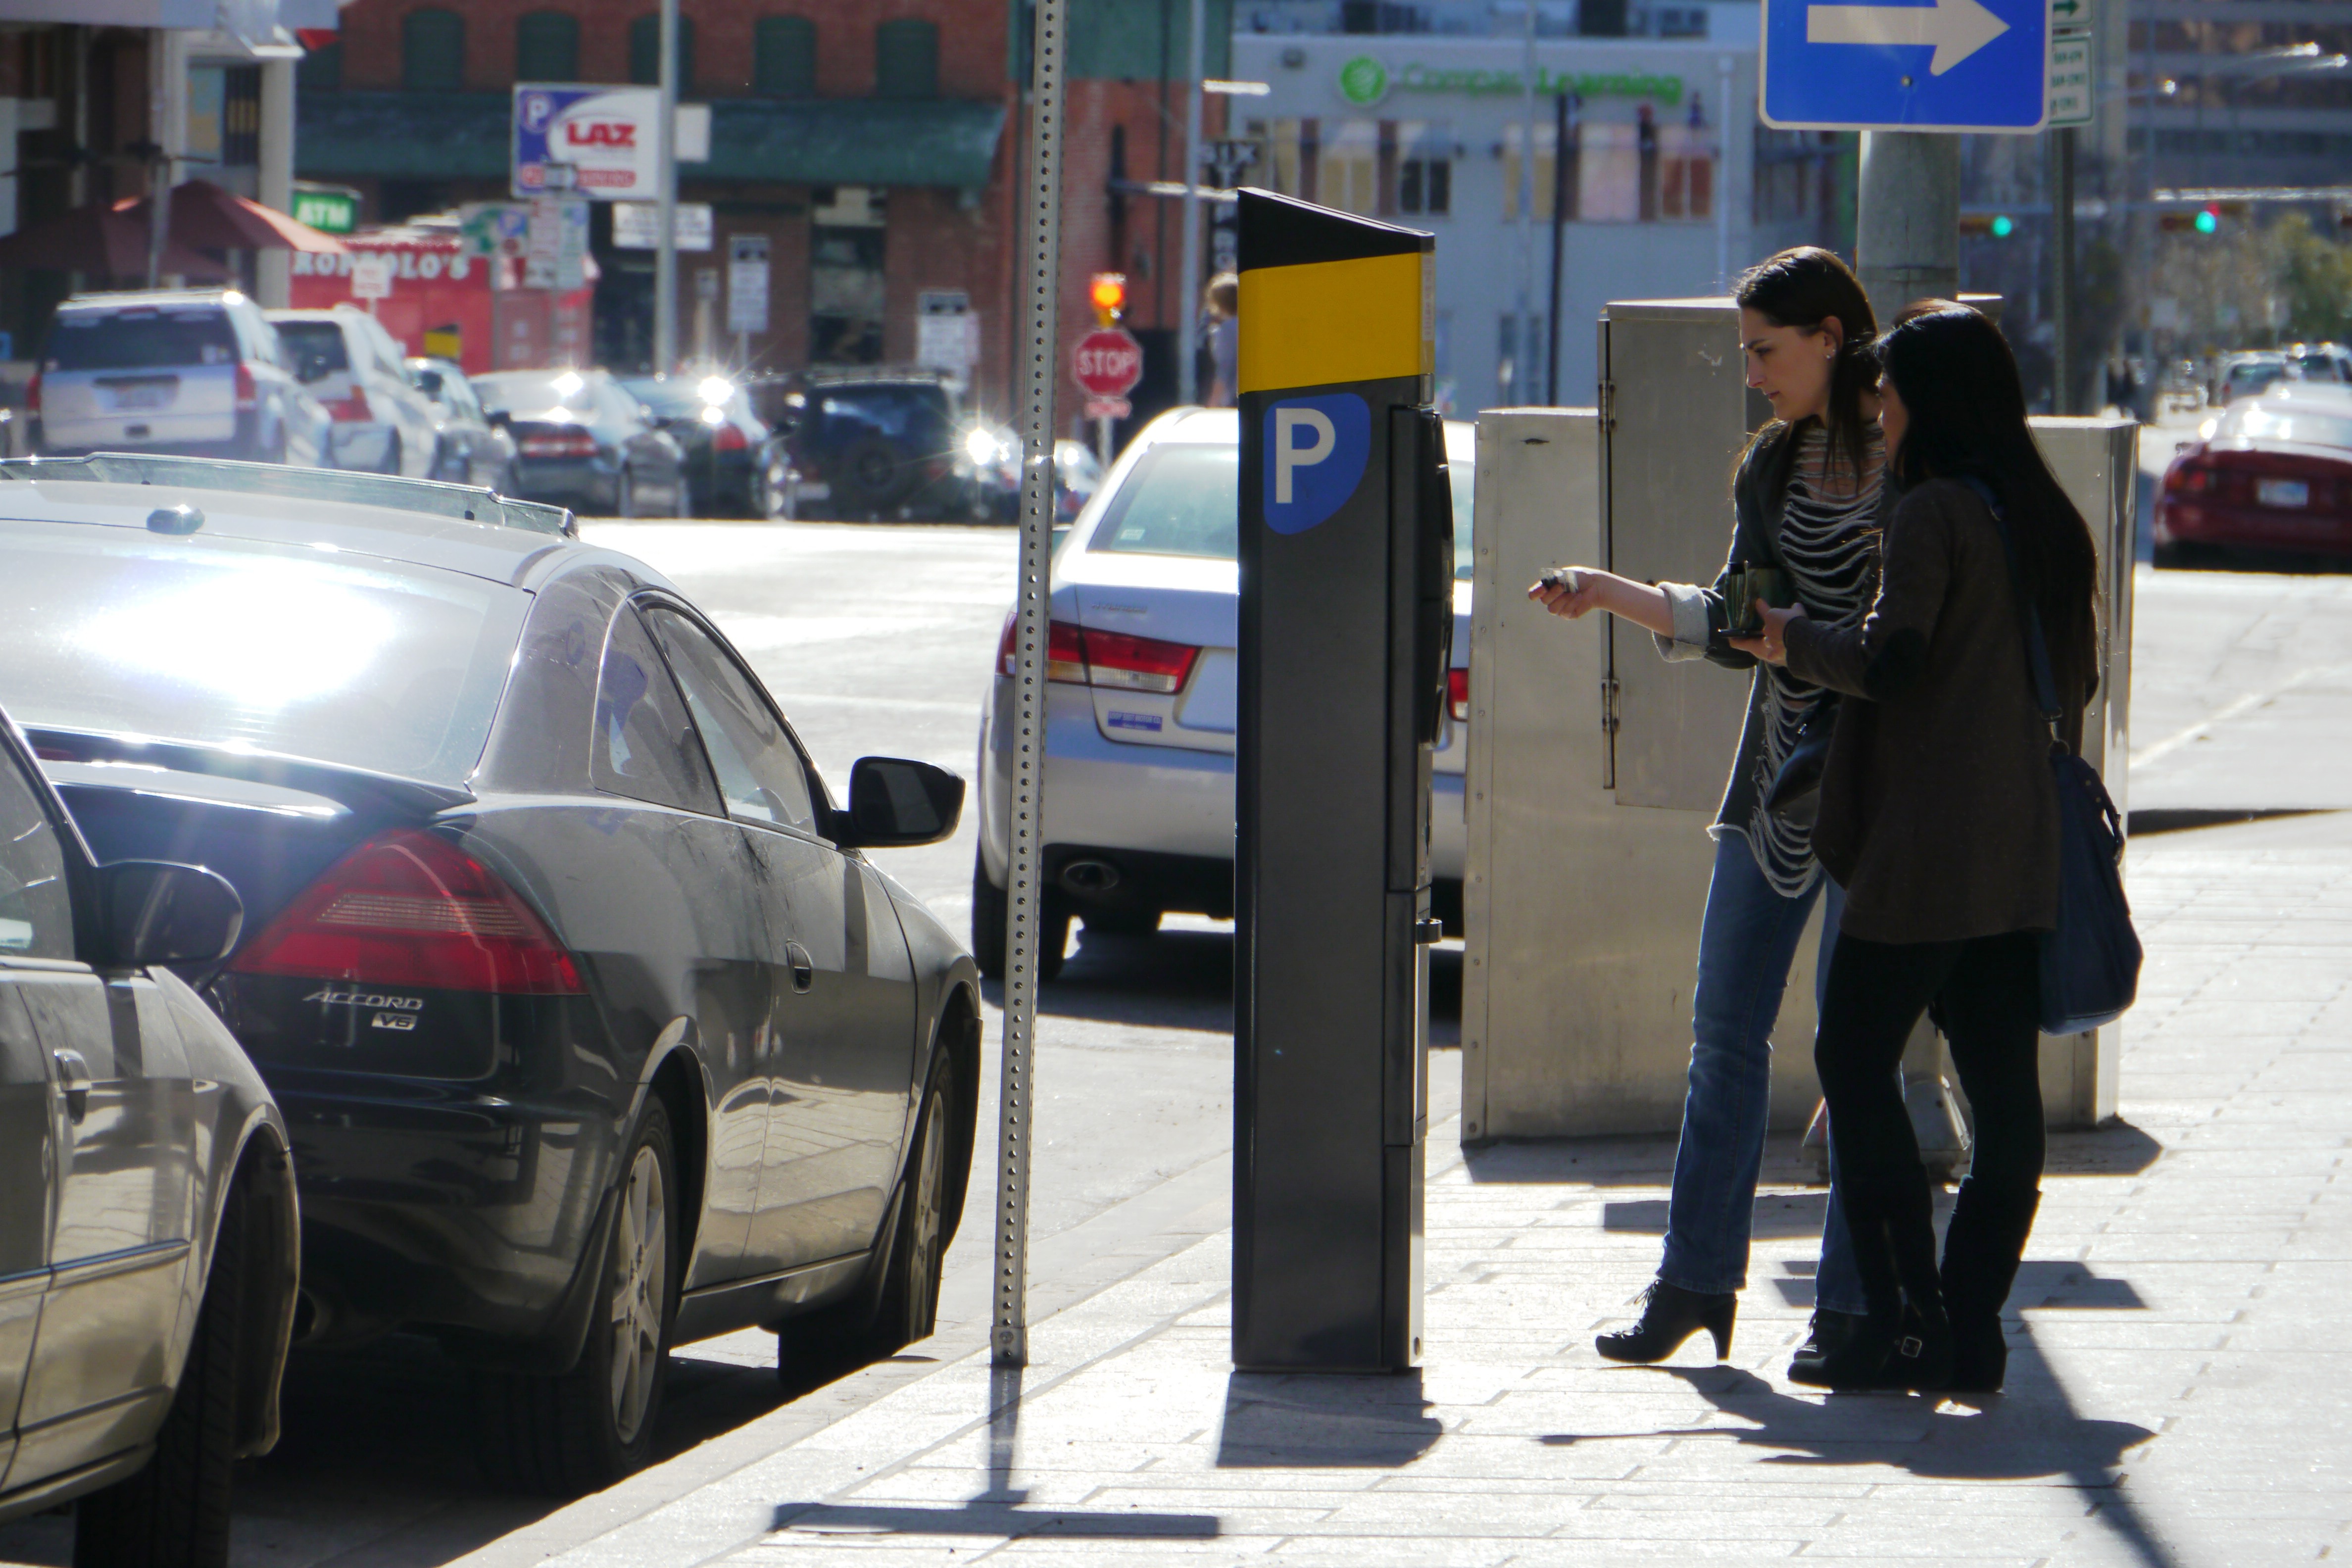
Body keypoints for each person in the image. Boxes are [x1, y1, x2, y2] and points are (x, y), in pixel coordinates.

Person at [1528, 246, 1886, 1365]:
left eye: (1764, 350)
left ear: (1829, 335)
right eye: (1742, 352)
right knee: (1720, 1037)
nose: (1750, 374)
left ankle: (1847, 1307)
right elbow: (1736, 623)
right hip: (1773, 788)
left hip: (1879, 795)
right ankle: (1690, 1281)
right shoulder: (1769, 470)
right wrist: (1604, 593)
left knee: (1851, 1057)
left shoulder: (1909, 462)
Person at [1742, 302, 2098, 1392]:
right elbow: (2075, 683)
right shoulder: (2048, 517)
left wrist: (1788, 636)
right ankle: (1975, 1320)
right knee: (2002, 1101)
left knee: (1854, 1064)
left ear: (1928, 404)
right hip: (2019, 846)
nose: (1881, 414)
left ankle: (1907, 1313)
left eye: (1890, 395)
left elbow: (1891, 661)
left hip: (1923, 850)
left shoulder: (1932, 513)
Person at [1203, 272, 1239, 408]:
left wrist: (1213, 402)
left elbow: (1224, 369)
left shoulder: (1227, 330)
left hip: (1233, 399)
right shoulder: (1254, 325)